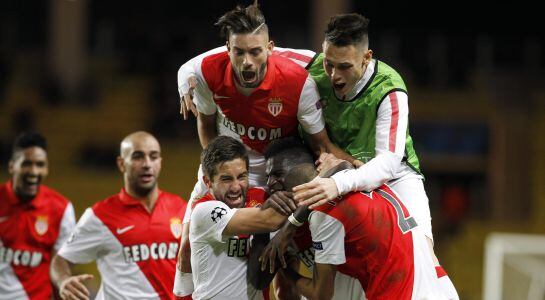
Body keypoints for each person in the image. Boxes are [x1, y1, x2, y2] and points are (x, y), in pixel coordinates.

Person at [174, 3, 357, 296]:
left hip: (277, 174)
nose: (247, 61)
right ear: (227, 49)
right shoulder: (208, 71)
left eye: (255, 51)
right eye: (239, 52)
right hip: (231, 168)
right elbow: (206, 125)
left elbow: (320, 145)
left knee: (280, 269)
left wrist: (356, 167)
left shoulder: (298, 83)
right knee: (185, 243)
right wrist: (216, 169)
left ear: (270, 48)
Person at [50, 131, 187, 300]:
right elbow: (60, 261)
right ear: (121, 164)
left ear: (160, 162)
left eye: (153, 156)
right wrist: (63, 280)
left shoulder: (181, 208)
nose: (147, 164)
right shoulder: (99, 216)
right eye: (138, 157)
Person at [282, 164, 451, 300]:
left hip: (401, 291)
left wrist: (286, 271)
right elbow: (343, 165)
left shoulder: (325, 215)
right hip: (438, 284)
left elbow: (321, 295)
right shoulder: (372, 177)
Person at [188, 136, 294, 300]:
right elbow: (270, 220)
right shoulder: (204, 211)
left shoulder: (261, 198)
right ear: (208, 182)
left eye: (242, 176)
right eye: (226, 179)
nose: (236, 187)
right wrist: (317, 184)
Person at [0, 132, 76, 299]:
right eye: (26, 163)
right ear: (12, 166)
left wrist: (64, 281)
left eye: (40, 164)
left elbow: (61, 263)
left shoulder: (61, 209)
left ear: (47, 168)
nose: (34, 171)